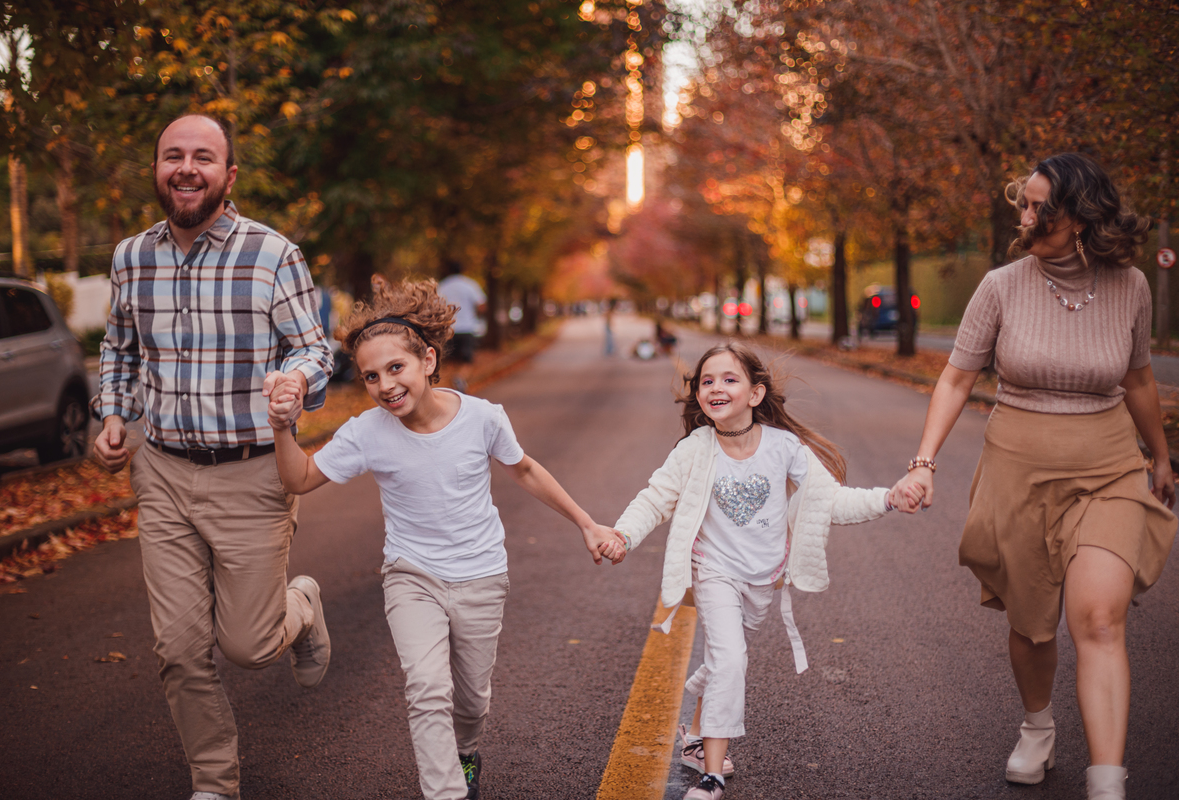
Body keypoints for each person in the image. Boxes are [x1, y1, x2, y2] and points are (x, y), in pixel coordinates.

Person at [265, 278, 625, 800]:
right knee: (427, 689)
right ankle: (446, 792)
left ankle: (466, 753)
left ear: (428, 360)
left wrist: (587, 523)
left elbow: (524, 470)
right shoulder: (367, 432)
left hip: (481, 575)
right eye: (370, 376)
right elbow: (298, 479)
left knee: (472, 700)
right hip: (412, 577)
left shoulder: (481, 418)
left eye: (396, 368)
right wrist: (283, 427)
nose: (385, 385)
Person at [892, 153, 1177, 800]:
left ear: (1076, 215)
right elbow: (957, 377)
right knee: (1031, 624)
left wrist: (1159, 457)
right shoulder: (1001, 285)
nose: (1022, 214)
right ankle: (1037, 725)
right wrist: (924, 461)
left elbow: (1136, 378)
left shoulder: (1131, 285)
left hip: (1107, 465)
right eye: (1022, 202)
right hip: (1018, 466)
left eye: (1035, 203)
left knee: (1099, 619)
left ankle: (1108, 781)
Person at [90, 114, 335, 800]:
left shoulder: (271, 254)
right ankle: (215, 783)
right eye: (173, 155)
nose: (187, 167)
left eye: (203, 157)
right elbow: (120, 350)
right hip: (163, 472)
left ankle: (304, 604)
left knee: (250, 647)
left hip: (253, 475)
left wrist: (296, 381)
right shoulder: (130, 257)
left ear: (228, 176)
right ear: (158, 169)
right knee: (178, 648)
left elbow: (314, 348)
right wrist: (114, 415)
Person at [607, 341, 921, 800]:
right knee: (731, 659)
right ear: (698, 396)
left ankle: (694, 740)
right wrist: (623, 536)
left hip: (762, 580)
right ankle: (712, 776)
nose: (715, 387)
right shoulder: (696, 449)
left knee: (723, 662)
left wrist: (888, 498)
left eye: (729, 379)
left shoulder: (784, 448)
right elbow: (656, 498)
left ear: (755, 394)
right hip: (713, 571)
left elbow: (829, 501)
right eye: (706, 381)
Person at [436, 259, 486, 391]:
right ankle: (460, 378)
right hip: (467, 328)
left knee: (450, 361)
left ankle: (454, 386)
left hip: (448, 329)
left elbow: (434, 307)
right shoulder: (470, 284)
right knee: (467, 361)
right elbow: (481, 306)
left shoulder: (442, 286)